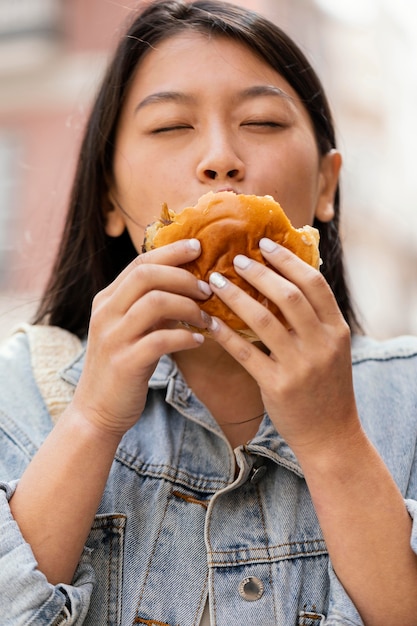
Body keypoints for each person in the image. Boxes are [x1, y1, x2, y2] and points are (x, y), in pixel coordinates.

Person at [1, 0, 417, 624]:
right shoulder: (19, 394)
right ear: (109, 197)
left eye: (263, 122)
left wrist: (333, 440)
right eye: (171, 126)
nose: (220, 159)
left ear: (327, 186)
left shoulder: (407, 396)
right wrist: (90, 421)